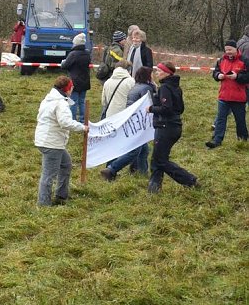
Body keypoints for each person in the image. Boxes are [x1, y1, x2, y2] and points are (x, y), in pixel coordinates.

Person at [34, 76, 88, 206]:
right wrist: (83, 127)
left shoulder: (48, 99)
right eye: (71, 87)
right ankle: (43, 203)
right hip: (52, 143)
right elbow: (65, 122)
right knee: (49, 174)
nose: (73, 89)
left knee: (66, 164)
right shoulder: (60, 103)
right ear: (67, 88)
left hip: (47, 140)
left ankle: (61, 195)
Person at [147, 62, 198, 193]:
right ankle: (153, 188)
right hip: (175, 126)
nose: (156, 73)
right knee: (157, 157)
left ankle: (189, 180)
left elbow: (167, 108)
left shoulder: (165, 88)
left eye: (158, 70)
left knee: (160, 161)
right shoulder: (176, 87)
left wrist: (151, 108)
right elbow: (180, 109)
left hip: (165, 127)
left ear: (166, 73)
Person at [100, 66, 156, 181]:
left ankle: (142, 173)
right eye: (152, 74)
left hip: (131, 120)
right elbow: (150, 105)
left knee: (143, 149)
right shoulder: (146, 88)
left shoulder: (135, 86)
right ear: (148, 76)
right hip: (139, 123)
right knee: (134, 150)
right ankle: (111, 169)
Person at [206, 39, 249, 148]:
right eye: (226, 50)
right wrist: (217, 76)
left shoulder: (244, 61)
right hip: (223, 96)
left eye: (230, 49)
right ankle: (217, 140)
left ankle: (243, 139)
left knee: (240, 120)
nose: (228, 52)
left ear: (236, 49)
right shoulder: (221, 60)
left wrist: (237, 77)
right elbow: (215, 72)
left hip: (238, 97)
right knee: (220, 119)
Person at [61, 33, 91, 122]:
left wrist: (63, 62)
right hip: (85, 80)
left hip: (74, 81)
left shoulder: (73, 54)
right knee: (82, 101)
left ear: (76, 43)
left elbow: (65, 66)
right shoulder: (87, 53)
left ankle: (72, 120)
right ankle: (83, 120)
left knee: (73, 101)